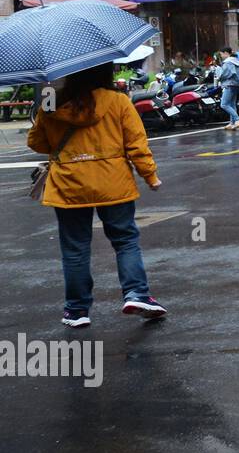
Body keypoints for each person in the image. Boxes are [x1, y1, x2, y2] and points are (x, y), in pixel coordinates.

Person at [28, 63, 167, 328]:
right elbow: (136, 144)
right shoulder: (117, 101)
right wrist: (150, 176)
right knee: (125, 240)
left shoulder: (52, 102)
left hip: (69, 184)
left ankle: (76, 310)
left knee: (75, 249)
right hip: (112, 182)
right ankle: (137, 293)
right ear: (106, 72)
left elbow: (37, 143)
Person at [217, 47, 239, 129]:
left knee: (224, 104)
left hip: (229, 84)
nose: (221, 56)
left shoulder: (228, 62)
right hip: (235, 84)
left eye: (221, 54)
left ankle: (237, 119)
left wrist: (218, 74)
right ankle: (232, 123)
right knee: (232, 104)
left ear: (226, 53)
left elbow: (224, 74)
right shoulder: (235, 61)